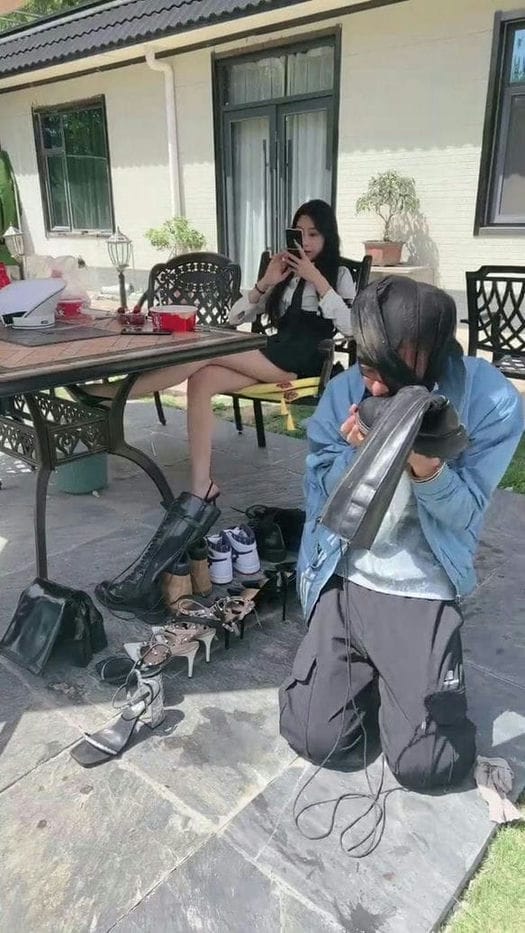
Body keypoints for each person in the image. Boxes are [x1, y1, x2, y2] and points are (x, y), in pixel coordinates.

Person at [279, 275, 524, 791]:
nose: (372, 387)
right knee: (314, 736)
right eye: (366, 368)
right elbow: (321, 500)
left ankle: (401, 674)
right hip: (347, 573)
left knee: (429, 765)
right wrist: (355, 456)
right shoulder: (346, 390)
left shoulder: (491, 401)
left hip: (421, 583)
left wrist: (425, 463)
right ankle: (369, 672)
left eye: (385, 371)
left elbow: (464, 514)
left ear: (427, 353)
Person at [82, 200, 354, 503]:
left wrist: (317, 279)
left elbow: (352, 328)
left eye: (313, 234)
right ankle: (202, 484)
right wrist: (266, 282)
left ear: (328, 236)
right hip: (273, 352)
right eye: (299, 234)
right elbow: (235, 317)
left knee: (204, 352)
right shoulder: (285, 275)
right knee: (202, 379)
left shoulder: (339, 275)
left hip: (304, 363)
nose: (305, 242)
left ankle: (111, 394)